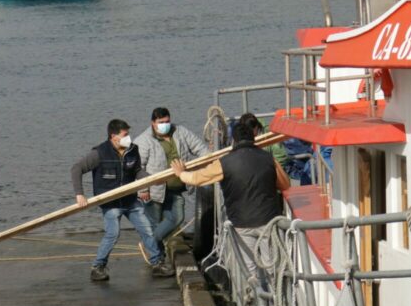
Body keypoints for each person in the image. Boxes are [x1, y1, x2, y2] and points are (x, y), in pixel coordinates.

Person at [171, 113, 289, 274]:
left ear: (233, 140)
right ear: (255, 137)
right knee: (272, 266)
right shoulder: (268, 158)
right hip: (267, 220)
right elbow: (285, 184)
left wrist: (180, 173)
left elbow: (197, 179)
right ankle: (276, 296)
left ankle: (257, 296)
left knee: (250, 269)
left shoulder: (224, 163)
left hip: (241, 222)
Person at [71, 119, 175, 281]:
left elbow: (138, 172)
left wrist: (152, 179)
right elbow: (76, 168)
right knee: (113, 233)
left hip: (130, 200)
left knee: (147, 229)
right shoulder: (99, 153)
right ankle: (97, 267)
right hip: (110, 202)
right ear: (114, 136)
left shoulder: (133, 150)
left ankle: (157, 263)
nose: (129, 138)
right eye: (125, 135)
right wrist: (79, 194)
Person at [135, 107, 210, 256]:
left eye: (167, 121)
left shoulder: (180, 132)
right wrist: (143, 189)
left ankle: (148, 244)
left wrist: (209, 160)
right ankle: (158, 258)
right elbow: (137, 167)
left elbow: (199, 148)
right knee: (156, 223)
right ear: (153, 123)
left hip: (177, 187)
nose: (165, 124)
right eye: (161, 122)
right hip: (155, 190)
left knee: (177, 217)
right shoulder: (143, 140)